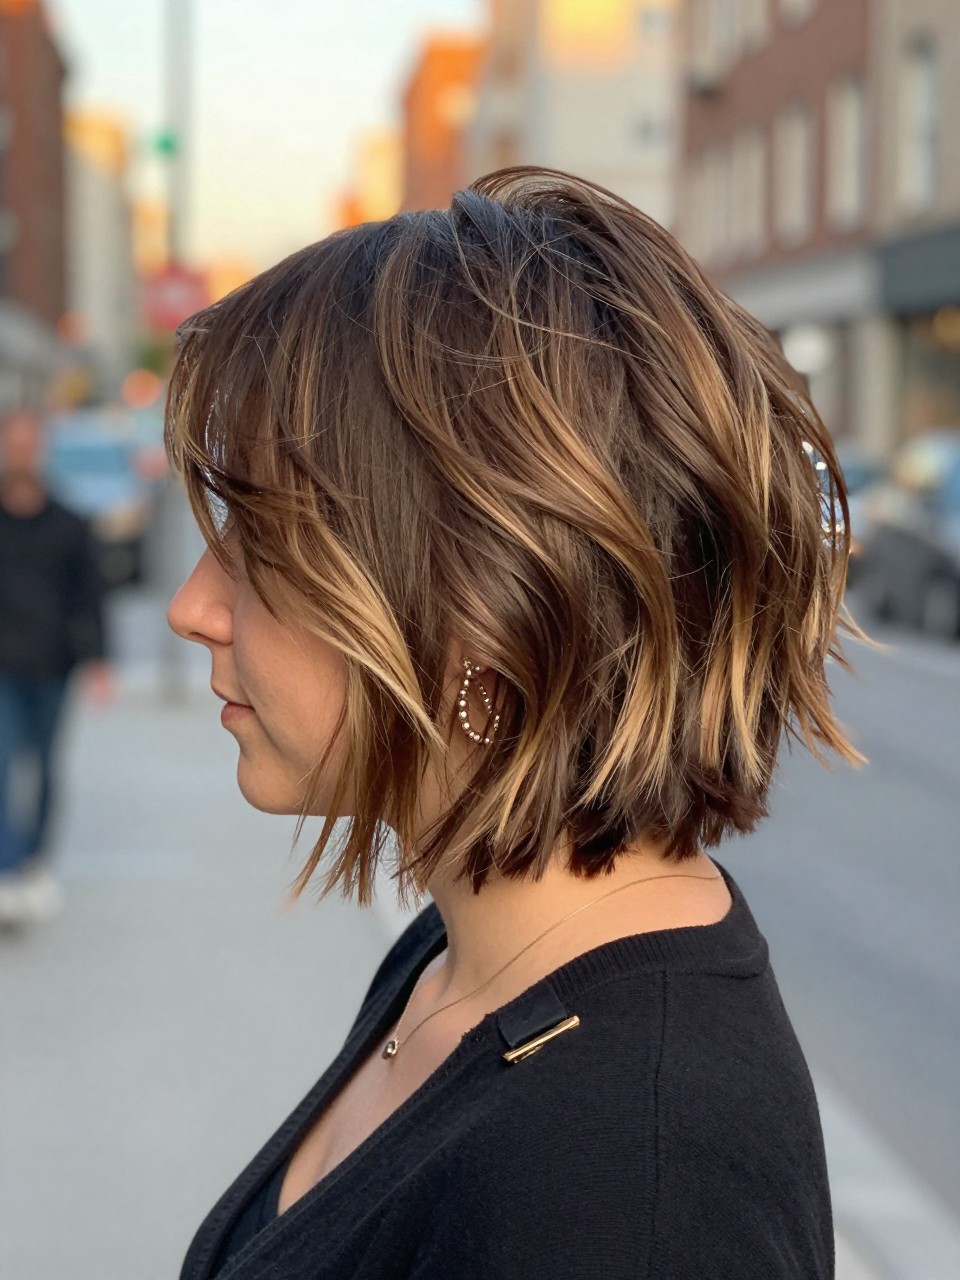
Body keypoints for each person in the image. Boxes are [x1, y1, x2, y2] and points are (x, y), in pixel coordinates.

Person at [165, 167, 863, 1279]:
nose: (191, 606)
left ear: (486, 614)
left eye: (260, 548)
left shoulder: (637, 1195)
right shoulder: (467, 952)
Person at [0, 408, 112, 926]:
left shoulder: (69, 522)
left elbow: (90, 597)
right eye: (13, 443)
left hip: (52, 664)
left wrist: (99, 661)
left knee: (44, 767)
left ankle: (35, 861)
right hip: (2, 668)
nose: (21, 452)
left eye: (29, 443)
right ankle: (7, 871)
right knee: (2, 766)